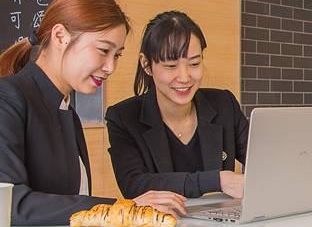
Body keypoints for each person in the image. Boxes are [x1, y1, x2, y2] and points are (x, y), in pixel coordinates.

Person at [0, 0, 186, 226]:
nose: (110, 67)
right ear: (59, 37)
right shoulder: (0, 97)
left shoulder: (66, 110)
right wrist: (122, 208)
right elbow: (7, 203)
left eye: (117, 55)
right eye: (103, 50)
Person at [105, 11, 248, 200]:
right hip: (162, 219)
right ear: (146, 64)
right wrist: (216, 180)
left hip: (221, 218)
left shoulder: (224, 104)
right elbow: (135, 185)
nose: (184, 77)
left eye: (194, 64)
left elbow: (263, 160)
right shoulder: (123, 117)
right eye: (171, 66)